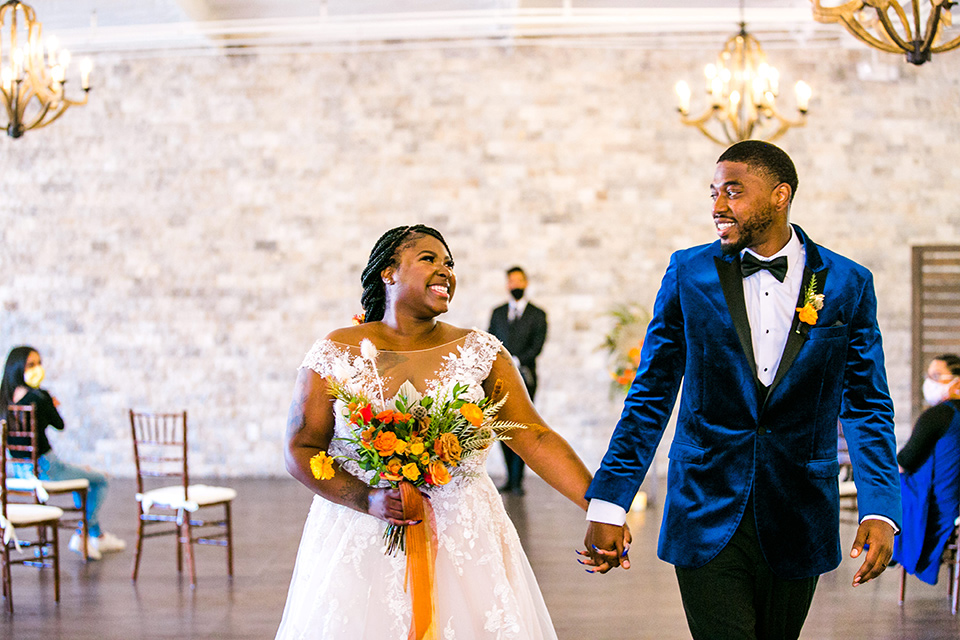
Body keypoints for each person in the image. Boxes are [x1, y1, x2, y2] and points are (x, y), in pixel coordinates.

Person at [581, 140, 902, 640]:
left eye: (733, 191)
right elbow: (651, 393)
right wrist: (609, 502)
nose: (717, 207)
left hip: (799, 513)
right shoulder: (689, 274)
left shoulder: (845, 283)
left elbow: (866, 404)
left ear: (780, 195)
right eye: (713, 193)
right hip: (704, 507)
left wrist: (880, 505)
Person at [276, 225, 620, 639]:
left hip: (465, 540)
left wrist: (601, 508)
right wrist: (367, 497)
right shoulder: (337, 351)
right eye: (429, 259)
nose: (446, 271)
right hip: (361, 538)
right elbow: (301, 445)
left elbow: (534, 436)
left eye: (450, 264)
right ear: (388, 272)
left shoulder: (480, 352)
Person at [1, 346, 126, 561]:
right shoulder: (39, 397)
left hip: (20, 472)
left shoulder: (4, 400)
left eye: (39, 363)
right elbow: (59, 424)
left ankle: (96, 534)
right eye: (31, 365)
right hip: (46, 469)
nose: (37, 369)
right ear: (17, 368)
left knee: (82, 477)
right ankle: (83, 533)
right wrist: (51, 403)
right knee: (99, 480)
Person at [893, 354, 960, 584]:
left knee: (891, 490)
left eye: (936, 376)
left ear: (958, 382)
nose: (929, 382)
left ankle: (885, 549)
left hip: (942, 507)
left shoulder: (940, 414)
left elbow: (905, 460)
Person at [488, 266, 548, 495]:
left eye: (518, 281)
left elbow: (537, 346)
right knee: (502, 426)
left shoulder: (537, 314)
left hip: (526, 377)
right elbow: (490, 339)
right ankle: (510, 477)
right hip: (499, 379)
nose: (515, 285)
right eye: (511, 281)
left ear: (526, 282)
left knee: (521, 426)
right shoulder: (498, 312)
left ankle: (517, 480)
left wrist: (515, 359)